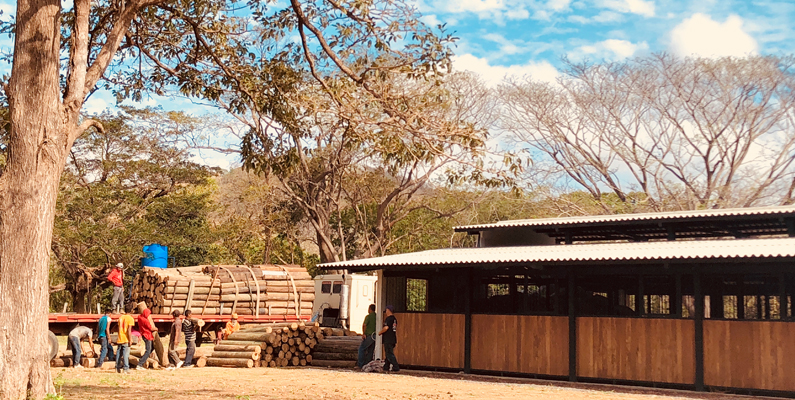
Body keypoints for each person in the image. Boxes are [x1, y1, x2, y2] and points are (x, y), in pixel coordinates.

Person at [378, 305, 399, 372]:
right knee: (388, 353)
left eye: (386, 310)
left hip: (388, 339)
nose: (386, 311)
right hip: (393, 338)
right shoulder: (394, 319)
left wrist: (380, 332)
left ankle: (396, 366)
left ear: (388, 310)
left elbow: (386, 328)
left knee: (389, 354)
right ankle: (386, 366)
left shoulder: (389, 319)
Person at [115, 307, 134, 373]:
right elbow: (129, 330)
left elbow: (118, 328)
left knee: (119, 354)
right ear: (131, 310)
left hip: (120, 338)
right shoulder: (130, 318)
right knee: (126, 354)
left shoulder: (121, 317)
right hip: (125, 338)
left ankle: (117, 367)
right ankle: (126, 368)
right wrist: (130, 339)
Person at [357, 304, 377, 368]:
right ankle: (368, 364)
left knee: (361, 349)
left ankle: (361, 364)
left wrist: (364, 333)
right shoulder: (377, 316)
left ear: (370, 309)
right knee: (371, 350)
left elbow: (364, 325)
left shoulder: (368, 317)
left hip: (369, 335)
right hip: (375, 335)